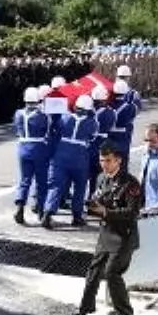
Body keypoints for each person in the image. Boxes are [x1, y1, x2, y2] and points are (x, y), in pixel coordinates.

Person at [70, 142, 144, 315]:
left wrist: (105, 212)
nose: (104, 164)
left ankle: (125, 312)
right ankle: (86, 307)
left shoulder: (130, 183)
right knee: (93, 271)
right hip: (106, 233)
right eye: (102, 160)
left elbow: (132, 213)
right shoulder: (102, 178)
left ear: (118, 160)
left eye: (108, 160)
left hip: (123, 236)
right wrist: (92, 207)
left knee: (112, 273)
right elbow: (99, 200)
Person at [42, 94, 99, 229]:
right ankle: (77, 217)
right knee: (80, 187)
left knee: (55, 186)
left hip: (61, 154)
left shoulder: (64, 117)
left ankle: (47, 213)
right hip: (80, 156)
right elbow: (92, 139)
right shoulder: (93, 123)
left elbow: (55, 130)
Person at [13, 87, 53, 226]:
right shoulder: (44, 116)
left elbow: (16, 130)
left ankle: (20, 207)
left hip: (23, 147)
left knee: (24, 180)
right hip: (39, 148)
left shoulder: (18, 113)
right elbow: (47, 132)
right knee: (42, 182)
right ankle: (41, 211)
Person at [109, 79, 138, 169]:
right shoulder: (130, 107)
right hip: (123, 136)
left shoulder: (108, 104)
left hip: (109, 135)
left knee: (109, 163)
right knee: (122, 163)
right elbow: (133, 116)